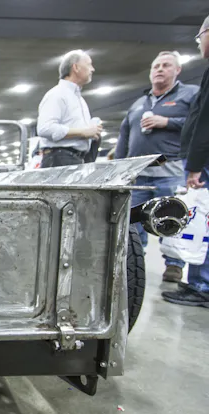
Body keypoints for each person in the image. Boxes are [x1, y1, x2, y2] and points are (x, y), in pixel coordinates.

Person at [115, 51, 199, 283]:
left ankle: (174, 264)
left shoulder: (189, 95)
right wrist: (118, 168)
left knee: (171, 220)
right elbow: (124, 137)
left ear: (177, 70)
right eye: (156, 66)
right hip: (138, 174)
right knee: (132, 222)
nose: (160, 69)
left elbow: (199, 124)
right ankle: (134, 261)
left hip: (170, 170)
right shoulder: (139, 104)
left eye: (166, 65)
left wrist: (167, 122)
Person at [163, 16, 209, 307]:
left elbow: (205, 123)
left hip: (204, 163)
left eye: (199, 36)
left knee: (203, 222)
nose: (199, 43)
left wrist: (194, 164)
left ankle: (202, 285)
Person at [37, 50, 103, 168]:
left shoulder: (79, 99)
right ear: (76, 67)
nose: (92, 69)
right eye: (89, 64)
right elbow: (45, 128)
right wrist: (83, 132)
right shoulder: (57, 94)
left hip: (74, 159)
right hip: (59, 159)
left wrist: (91, 132)